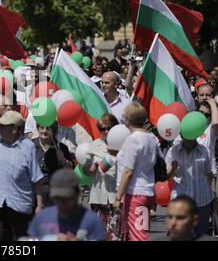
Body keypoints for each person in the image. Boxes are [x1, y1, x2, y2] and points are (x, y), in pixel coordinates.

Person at [0, 110, 44, 241]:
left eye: (4, 126)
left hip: (20, 205)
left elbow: (36, 179)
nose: (0, 128)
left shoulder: (28, 147)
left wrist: (40, 204)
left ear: (14, 129)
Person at [113, 102, 160, 241]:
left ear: (127, 119)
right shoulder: (152, 138)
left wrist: (117, 197)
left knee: (139, 235)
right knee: (139, 231)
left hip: (135, 193)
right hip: (148, 190)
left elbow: (128, 171)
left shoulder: (133, 139)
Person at [28, 168, 105, 241]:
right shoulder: (42, 217)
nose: (62, 202)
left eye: (67, 197)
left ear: (77, 194)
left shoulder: (92, 221)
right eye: (58, 197)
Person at [166, 136, 216, 236]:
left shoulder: (204, 150)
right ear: (181, 134)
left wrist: (215, 196)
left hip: (202, 201)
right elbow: (166, 176)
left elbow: (211, 175)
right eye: (185, 136)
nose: (189, 139)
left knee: (201, 235)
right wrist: (172, 169)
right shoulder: (173, 151)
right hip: (180, 202)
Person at [83, 113, 122, 240]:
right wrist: (90, 169)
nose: (105, 131)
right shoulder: (94, 145)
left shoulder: (123, 144)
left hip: (115, 197)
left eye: (108, 128)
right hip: (98, 197)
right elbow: (85, 168)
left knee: (115, 236)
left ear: (115, 128)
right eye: (102, 129)